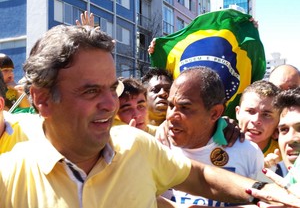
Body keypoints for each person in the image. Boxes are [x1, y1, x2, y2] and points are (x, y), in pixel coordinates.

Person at [0, 24, 283, 207]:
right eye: (90, 91)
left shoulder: (137, 145)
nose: (111, 104)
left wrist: (263, 191)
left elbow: (200, 177)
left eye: (113, 88)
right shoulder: (8, 177)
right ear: (42, 99)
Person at [161, 67, 264, 207]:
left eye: (185, 108)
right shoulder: (157, 146)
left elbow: (266, 203)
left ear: (215, 113)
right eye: (170, 105)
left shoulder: (249, 152)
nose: (171, 116)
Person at [235, 80, 281, 164]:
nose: (256, 120)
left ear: (278, 121)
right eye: (250, 111)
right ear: (238, 112)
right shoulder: (217, 144)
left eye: (266, 115)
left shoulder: (285, 156)